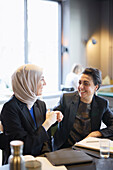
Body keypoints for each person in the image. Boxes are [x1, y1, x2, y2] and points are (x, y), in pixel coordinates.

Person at [1, 64, 63, 164]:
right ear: (28, 82)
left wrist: (46, 158)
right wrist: (47, 123)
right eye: (41, 79)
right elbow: (24, 146)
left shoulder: (40, 104)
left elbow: (45, 139)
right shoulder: (10, 108)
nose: (45, 83)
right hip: (19, 164)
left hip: (41, 161)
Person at [53, 67, 113, 151]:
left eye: (86, 83)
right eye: (79, 82)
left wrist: (96, 133)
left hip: (88, 148)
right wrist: (55, 114)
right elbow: (54, 114)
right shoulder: (67, 99)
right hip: (66, 147)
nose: (81, 87)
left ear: (96, 87)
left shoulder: (102, 104)